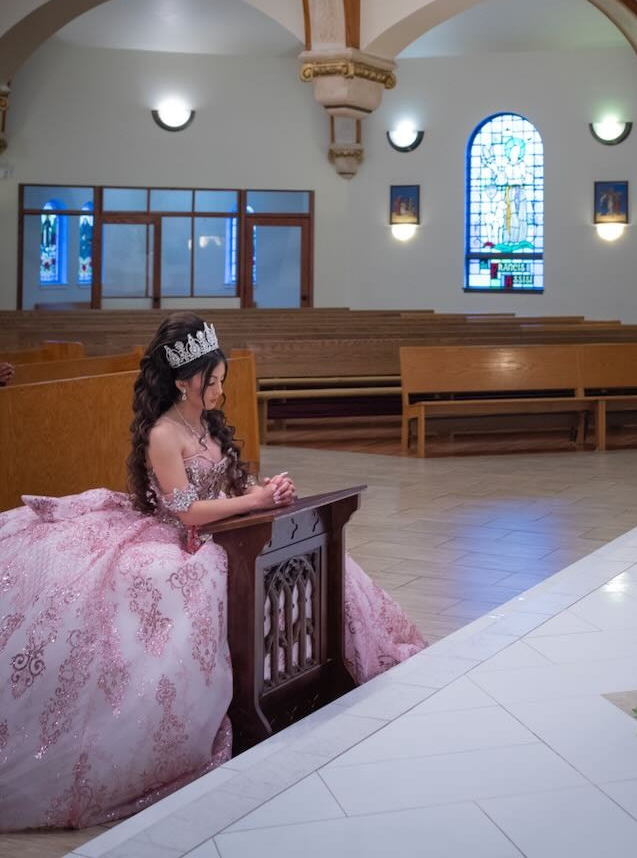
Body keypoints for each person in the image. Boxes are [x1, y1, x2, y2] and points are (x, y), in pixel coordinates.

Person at [0, 313, 425, 831]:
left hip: (221, 528)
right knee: (205, 583)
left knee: (314, 554)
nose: (221, 391)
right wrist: (252, 502)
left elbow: (228, 488)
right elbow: (187, 513)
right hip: (182, 540)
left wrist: (267, 493)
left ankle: (318, 666)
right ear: (184, 382)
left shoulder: (204, 424)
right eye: (214, 381)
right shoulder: (163, 434)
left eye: (222, 380)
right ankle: (247, 695)